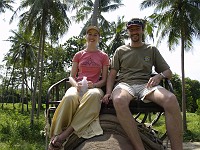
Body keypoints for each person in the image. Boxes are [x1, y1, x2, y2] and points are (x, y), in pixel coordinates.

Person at [102, 18, 183, 150]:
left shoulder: (151, 49)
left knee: (171, 99)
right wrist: (108, 92)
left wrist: (159, 76)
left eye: (137, 29)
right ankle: (140, 148)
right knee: (119, 100)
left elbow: (168, 72)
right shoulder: (120, 50)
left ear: (142, 30)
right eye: (131, 29)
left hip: (146, 85)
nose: (134, 32)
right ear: (128, 32)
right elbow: (112, 74)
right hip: (125, 85)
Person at [48, 25, 110, 150]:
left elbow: (104, 79)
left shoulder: (103, 56)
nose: (92, 37)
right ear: (86, 37)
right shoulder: (78, 55)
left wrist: (95, 85)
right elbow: (71, 76)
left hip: (93, 87)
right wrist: (76, 85)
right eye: (90, 34)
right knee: (69, 97)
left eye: (95, 35)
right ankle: (55, 135)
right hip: (78, 86)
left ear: (99, 38)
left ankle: (66, 133)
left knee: (94, 95)